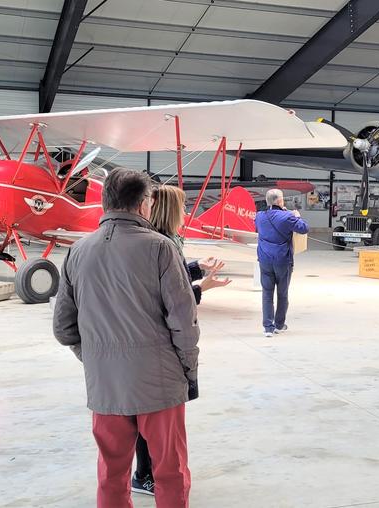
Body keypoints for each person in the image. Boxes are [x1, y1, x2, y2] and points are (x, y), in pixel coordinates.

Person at [53, 169, 199, 508]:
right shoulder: (162, 249)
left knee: (112, 475)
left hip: (105, 387)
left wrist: (96, 357)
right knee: (170, 472)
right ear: (144, 205)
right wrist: (187, 371)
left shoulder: (77, 252)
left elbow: (63, 329)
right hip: (160, 385)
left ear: (105, 201)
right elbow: (184, 324)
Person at [125, 185, 229, 497]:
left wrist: (197, 268)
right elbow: (172, 297)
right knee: (155, 417)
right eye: (184, 207)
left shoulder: (163, 241)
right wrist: (202, 288)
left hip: (150, 345)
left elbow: (174, 278)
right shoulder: (162, 243)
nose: (187, 214)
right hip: (161, 344)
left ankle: (148, 472)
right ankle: (146, 474)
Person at [255, 189, 309, 337]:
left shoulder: (259, 216)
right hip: (282, 260)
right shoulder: (287, 217)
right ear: (280, 201)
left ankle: (268, 327)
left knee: (267, 293)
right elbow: (304, 228)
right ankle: (279, 324)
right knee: (282, 293)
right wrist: (297, 216)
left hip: (265, 259)